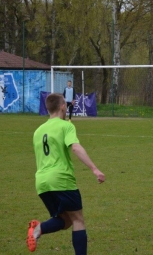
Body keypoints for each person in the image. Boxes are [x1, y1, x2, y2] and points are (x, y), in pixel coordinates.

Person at [26, 93, 105, 254]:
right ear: (63, 106)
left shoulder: (38, 131)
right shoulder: (66, 125)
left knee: (66, 220)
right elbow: (75, 147)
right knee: (78, 220)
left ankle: (38, 229)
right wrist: (94, 169)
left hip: (42, 182)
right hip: (61, 179)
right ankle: (38, 230)